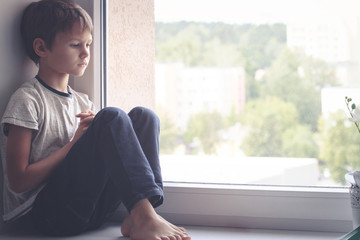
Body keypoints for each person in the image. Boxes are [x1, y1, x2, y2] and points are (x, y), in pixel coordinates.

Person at [0, 0, 191, 239]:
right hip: (49, 216)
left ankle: (141, 213)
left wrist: (94, 136)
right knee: (111, 117)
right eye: (75, 44)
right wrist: (74, 145)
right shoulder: (27, 100)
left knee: (144, 116)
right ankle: (144, 217)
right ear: (41, 48)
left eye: (88, 44)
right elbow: (18, 181)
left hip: (89, 211)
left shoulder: (83, 103)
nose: (86, 53)